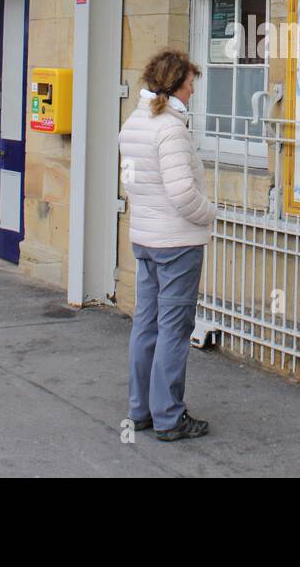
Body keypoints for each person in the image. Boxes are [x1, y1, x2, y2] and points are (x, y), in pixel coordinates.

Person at [118, 48, 216, 441]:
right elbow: (182, 194)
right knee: (174, 330)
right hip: (176, 243)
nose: (193, 91)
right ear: (175, 85)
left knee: (146, 325)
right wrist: (210, 213)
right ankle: (169, 417)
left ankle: (140, 409)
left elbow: (130, 182)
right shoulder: (170, 129)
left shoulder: (133, 123)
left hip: (144, 238)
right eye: (191, 84)